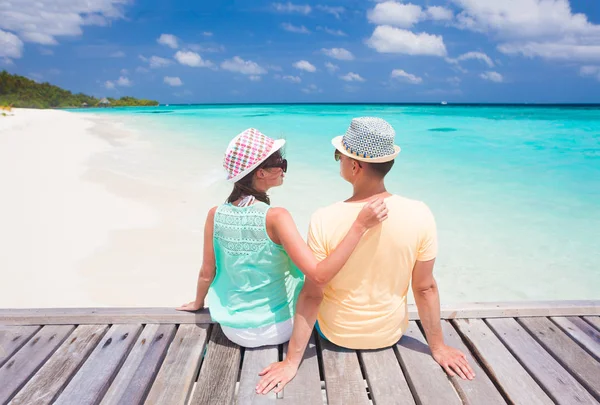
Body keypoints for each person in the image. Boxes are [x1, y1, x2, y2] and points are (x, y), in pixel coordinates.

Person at [257, 117, 475, 394]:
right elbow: (425, 287)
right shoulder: (420, 213)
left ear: (355, 166)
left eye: (340, 156)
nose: (338, 161)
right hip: (389, 335)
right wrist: (438, 347)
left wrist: (290, 362)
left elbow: (313, 294)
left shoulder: (325, 217)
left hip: (335, 334)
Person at [177, 128, 388, 347]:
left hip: (232, 329)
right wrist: (360, 225)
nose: (284, 169)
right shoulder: (277, 217)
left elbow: (206, 272)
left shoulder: (215, 214)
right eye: (280, 164)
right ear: (260, 173)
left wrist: (197, 302)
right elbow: (318, 275)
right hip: (279, 328)